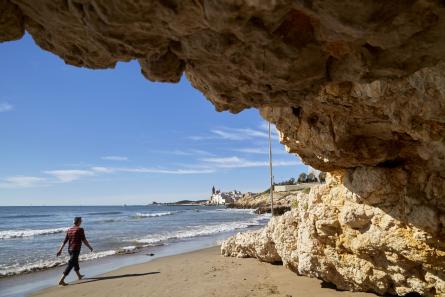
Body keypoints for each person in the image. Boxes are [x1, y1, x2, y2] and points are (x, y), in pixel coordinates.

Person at [56, 217, 93, 286]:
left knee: (75, 261)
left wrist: (60, 250)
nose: (81, 222)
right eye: (81, 221)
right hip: (76, 249)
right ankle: (61, 280)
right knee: (71, 264)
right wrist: (90, 247)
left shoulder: (69, 230)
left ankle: (79, 276)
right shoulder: (80, 229)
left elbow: (64, 241)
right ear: (79, 222)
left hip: (70, 249)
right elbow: (84, 240)